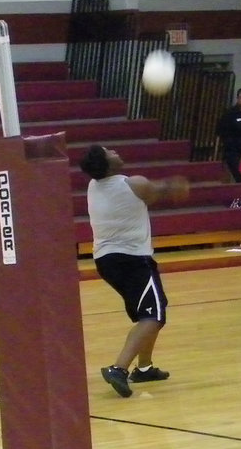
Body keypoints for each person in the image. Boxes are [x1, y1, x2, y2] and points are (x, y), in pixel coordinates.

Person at [79, 144, 188, 398]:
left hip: (106, 261)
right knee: (154, 316)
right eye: (110, 152)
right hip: (132, 259)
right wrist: (173, 185)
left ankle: (145, 367)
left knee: (148, 315)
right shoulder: (133, 183)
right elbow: (156, 192)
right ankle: (119, 368)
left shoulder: (93, 185)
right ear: (107, 164)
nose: (116, 152)